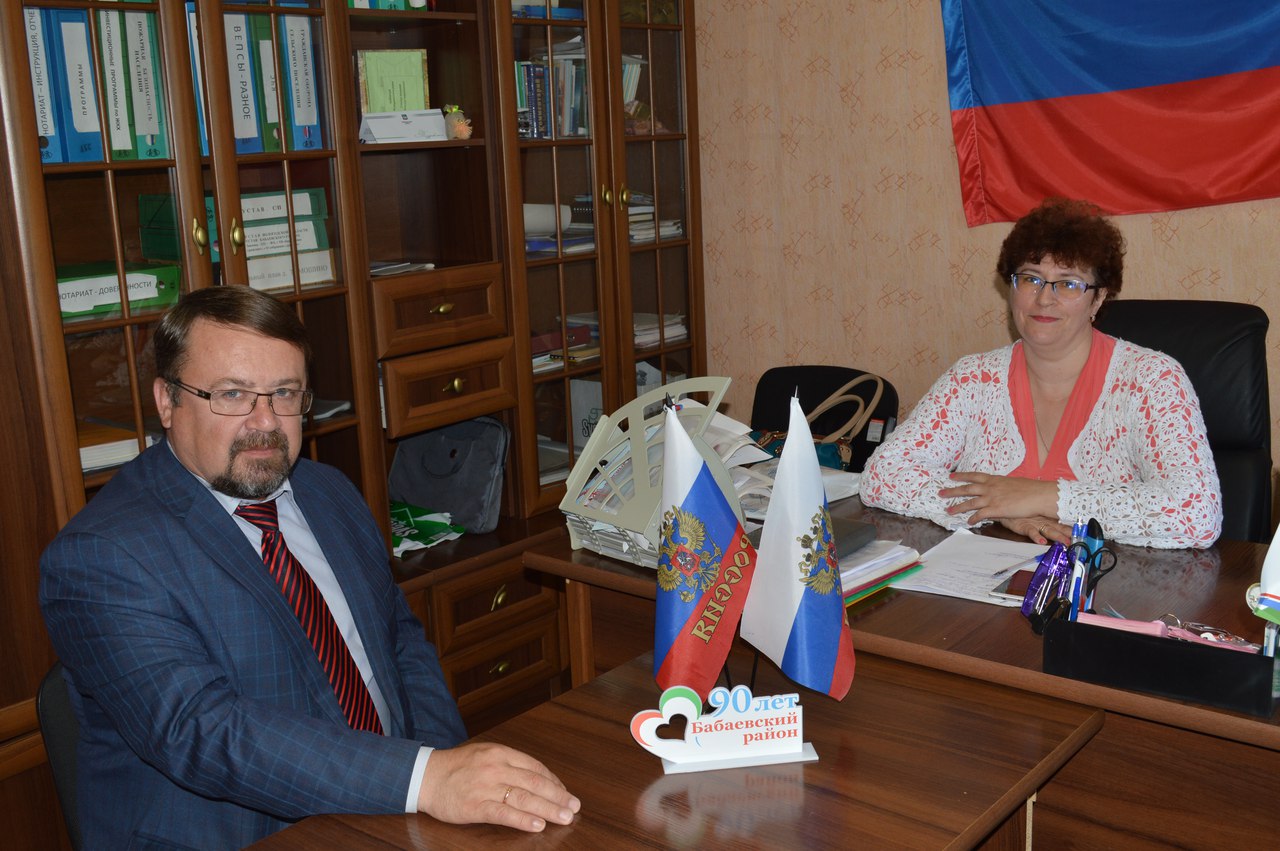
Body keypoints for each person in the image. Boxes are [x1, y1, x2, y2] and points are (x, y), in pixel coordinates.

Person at [39, 286, 580, 849]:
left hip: (396, 804)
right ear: (167, 401)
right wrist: (424, 779)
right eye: (232, 394)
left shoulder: (327, 491)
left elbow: (399, 643)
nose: (265, 422)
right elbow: (201, 729)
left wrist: (441, 769)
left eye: (285, 393)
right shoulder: (101, 555)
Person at [860, 198, 1221, 549]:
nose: (1044, 299)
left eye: (1068, 283)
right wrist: (999, 509)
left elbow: (1197, 514)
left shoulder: (1152, 379)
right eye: (1031, 279)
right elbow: (882, 474)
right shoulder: (973, 378)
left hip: (1105, 581)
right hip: (984, 576)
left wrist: (1040, 496)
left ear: (1097, 299)